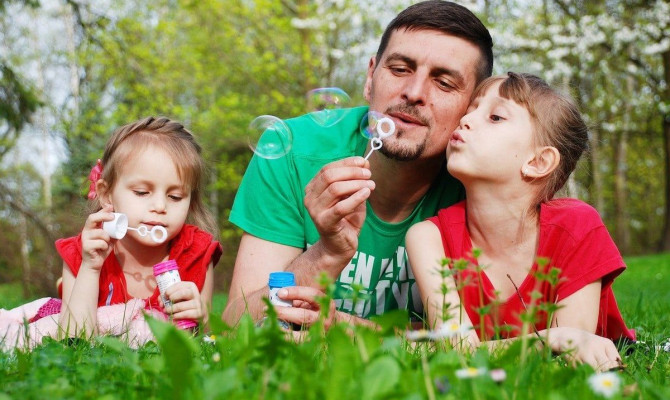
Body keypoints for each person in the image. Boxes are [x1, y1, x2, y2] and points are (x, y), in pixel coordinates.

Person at [223, 0, 494, 328]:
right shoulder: (290, 149)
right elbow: (235, 324)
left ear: (473, 108)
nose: (413, 92)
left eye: (444, 83)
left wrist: (350, 331)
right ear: (370, 77)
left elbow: (485, 340)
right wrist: (327, 254)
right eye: (399, 69)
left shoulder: (483, 181)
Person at [405, 72, 635, 371]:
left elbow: (572, 353)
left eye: (495, 117)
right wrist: (552, 337)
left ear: (538, 162)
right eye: (470, 109)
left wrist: (562, 339)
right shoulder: (427, 237)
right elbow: (458, 349)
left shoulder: (577, 226)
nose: (466, 120)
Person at [56, 116, 222, 337]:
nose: (160, 206)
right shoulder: (83, 253)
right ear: (106, 194)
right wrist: (90, 268)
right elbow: (72, 340)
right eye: (142, 192)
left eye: (175, 196)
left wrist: (203, 317)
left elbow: (206, 341)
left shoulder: (196, 254)